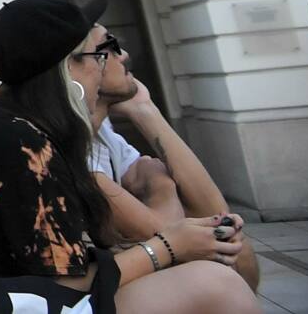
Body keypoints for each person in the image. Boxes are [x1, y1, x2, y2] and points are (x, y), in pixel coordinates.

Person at [0, 0, 253, 312]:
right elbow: (66, 282)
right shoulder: (19, 142)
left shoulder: (17, 129)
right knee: (216, 285)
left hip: (24, 302)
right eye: (101, 54)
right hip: (6, 306)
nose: (110, 62)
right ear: (68, 67)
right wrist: (167, 246)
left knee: (220, 270)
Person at [63, 15, 260, 293]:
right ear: (73, 68)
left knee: (237, 249)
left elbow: (214, 210)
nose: (124, 55)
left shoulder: (103, 133)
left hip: (116, 275)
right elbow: (164, 234)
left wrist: (146, 111)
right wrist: (163, 186)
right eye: (109, 47)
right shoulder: (66, 143)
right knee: (215, 270)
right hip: (84, 293)